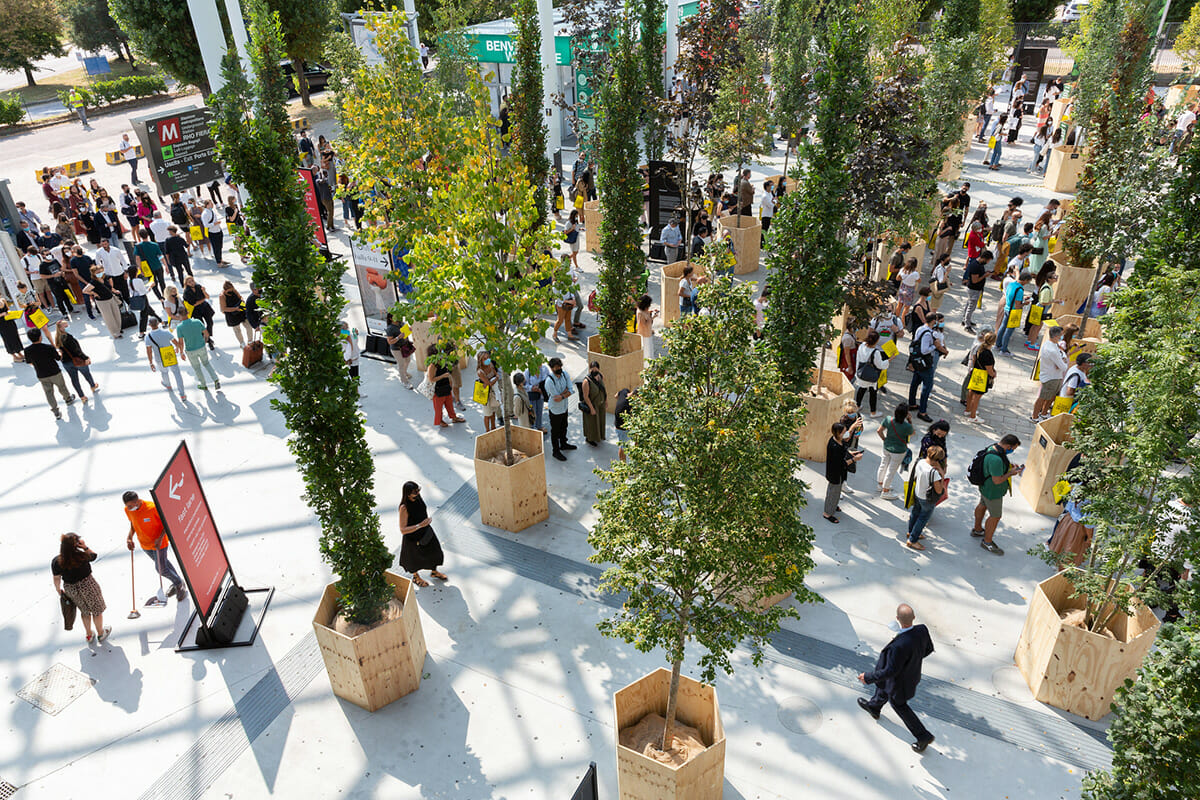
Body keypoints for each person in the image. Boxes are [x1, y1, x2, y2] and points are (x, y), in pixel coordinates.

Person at [857, 604, 936, 754]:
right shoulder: (922, 630)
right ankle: (874, 707)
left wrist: (867, 677)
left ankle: (923, 736)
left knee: (899, 704)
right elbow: (928, 649)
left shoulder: (898, 646)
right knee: (884, 687)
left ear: (897, 619)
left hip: (900, 682)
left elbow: (890, 671)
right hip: (910, 675)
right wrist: (912, 661)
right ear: (914, 617)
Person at [123, 491, 187, 601]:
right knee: (164, 564)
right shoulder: (127, 510)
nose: (128, 508)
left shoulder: (152, 508)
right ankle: (177, 582)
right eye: (126, 506)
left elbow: (166, 523)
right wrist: (129, 538)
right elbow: (133, 523)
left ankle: (179, 583)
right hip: (145, 545)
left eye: (130, 505)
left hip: (159, 545)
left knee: (161, 569)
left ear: (136, 501)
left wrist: (160, 538)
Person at [971, 434, 1024, 555]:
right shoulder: (996, 460)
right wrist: (1010, 473)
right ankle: (987, 542)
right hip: (993, 491)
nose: (1012, 451)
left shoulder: (993, 448)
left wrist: (1009, 467)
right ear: (1008, 446)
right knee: (995, 516)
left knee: (982, 505)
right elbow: (998, 480)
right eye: (1012, 449)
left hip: (984, 487)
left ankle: (977, 529)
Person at [52, 533, 109, 643]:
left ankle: (89, 635)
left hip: (71, 588)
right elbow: (94, 555)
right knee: (96, 611)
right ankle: (100, 634)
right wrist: (85, 547)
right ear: (76, 545)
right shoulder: (82, 555)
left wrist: (58, 589)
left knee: (84, 611)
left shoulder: (57, 561)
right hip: (87, 585)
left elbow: (56, 578)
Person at [397, 482, 447, 588]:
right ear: (408, 494)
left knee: (435, 552)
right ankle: (416, 577)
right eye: (415, 491)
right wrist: (420, 525)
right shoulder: (404, 508)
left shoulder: (418, 498)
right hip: (413, 537)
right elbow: (403, 530)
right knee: (414, 560)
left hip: (426, 532)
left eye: (418, 489)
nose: (418, 492)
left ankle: (434, 572)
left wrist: (426, 521)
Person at [24, 327, 75, 418]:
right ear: (40, 337)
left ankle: (55, 411)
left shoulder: (27, 350)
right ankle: (68, 399)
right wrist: (61, 353)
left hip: (42, 374)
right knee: (62, 387)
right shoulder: (49, 348)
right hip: (54, 372)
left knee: (48, 393)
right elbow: (58, 358)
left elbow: (29, 362)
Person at [907, 314, 948, 423]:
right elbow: (925, 350)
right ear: (933, 321)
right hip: (925, 363)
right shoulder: (928, 334)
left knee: (915, 382)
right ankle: (922, 411)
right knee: (927, 386)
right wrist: (935, 345)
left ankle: (912, 403)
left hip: (917, 361)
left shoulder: (920, 329)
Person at [906, 446, 947, 550]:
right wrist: (941, 474)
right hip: (927, 499)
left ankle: (911, 532)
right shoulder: (933, 473)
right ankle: (913, 540)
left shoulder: (920, 462)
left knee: (915, 513)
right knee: (923, 518)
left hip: (918, 492)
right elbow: (938, 490)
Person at [824, 422, 863, 523]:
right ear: (839, 433)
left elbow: (844, 448)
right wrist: (854, 459)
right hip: (835, 474)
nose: (846, 434)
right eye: (844, 432)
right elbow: (842, 464)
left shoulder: (838, 440)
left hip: (838, 473)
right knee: (833, 492)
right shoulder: (835, 446)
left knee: (835, 492)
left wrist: (850, 453)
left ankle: (833, 505)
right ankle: (827, 513)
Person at [54, 318, 99, 403]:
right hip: (77, 360)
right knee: (86, 374)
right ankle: (93, 386)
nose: (68, 327)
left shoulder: (57, 338)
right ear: (60, 328)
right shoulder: (68, 337)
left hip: (66, 363)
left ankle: (82, 396)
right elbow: (76, 350)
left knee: (74, 380)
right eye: (65, 326)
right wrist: (85, 357)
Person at [175, 312, 221, 393]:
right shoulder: (197, 321)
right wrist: (205, 340)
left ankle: (203, 385)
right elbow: (206, 334)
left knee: (197, 368)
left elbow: (181, 343)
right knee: (206, 363)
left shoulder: (179, 327)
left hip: (190, 350)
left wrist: (181, 353)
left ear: (179, 315)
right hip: (201, 347)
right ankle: (216, 379)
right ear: (187, 313)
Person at [877, 403, 914, 500]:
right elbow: (912, 433)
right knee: (891, 470)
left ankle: (880, 485)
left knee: (883, 465)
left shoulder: (888, 419)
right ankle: (885, 491)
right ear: (906, 414)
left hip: (887, 447)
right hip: (899, 451)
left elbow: (879, 431)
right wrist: (909, 420)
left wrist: (884, 439)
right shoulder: (907, 426)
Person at [1032, 325, 1068, 421]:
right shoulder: (1052, 350)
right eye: (1060, 335)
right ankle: (1034, 417)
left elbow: (1062, 356)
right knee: (1043, 397)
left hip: (1054, 376)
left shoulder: (1050, 344)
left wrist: (1062, 359)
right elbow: (1064, 366)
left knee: (1050, 397)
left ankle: (1044, 413)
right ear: (1056, 336)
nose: (1061, 337)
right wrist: (1063, 360)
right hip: (1051, 377)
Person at [145, 317, 186, 400]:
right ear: (158, 323)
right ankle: (182, 394)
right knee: (177, 373)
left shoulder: (148, 337)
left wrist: (151, 362)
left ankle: (168, 384)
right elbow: (176, 343)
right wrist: (181, 351)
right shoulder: (166, 332)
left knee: (164, 372)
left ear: (149, 325)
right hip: (170, 355)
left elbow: (149, 351)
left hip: (159, 358)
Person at [545, 357, 576, 461]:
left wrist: (562, 395)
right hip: (555, 410)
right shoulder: (549, 381)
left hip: (564, 407)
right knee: (555, 431)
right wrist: (565, 393)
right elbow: (556, 398)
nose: (559, 368)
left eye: (560, 366)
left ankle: (563, 444)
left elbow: (571, 390)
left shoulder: (564, 374)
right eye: (556, 367)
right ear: (552, 368)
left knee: (564, 427)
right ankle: (556, 451)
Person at [997, 270, 1035, 354]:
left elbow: (1010, 296)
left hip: (1007, 308)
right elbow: (1018, 306)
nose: (1027, 283)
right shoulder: (1020, 290)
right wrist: (1025, 303)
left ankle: (997, 344)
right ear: (1025, 280)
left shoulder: (1011, 284)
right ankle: (1004, 349)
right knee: (1009, 330)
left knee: (1002, 327)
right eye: (1028, 282)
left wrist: (1022, 298)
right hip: (1014, 312)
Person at [425, 345, 462, 428]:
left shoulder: (443, 361)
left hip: (446, 386)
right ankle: (440, 421)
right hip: (438, 389)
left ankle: (454, 418)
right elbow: (431, 379)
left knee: (449, 404)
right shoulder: (432, 365)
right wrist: (443, 376)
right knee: (438, 408)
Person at [854, 330, 888, 417]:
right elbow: (880, 365)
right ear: (876, 341)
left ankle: (857, 406)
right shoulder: (875, 352)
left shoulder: (862, 346)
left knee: (861, 389)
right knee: (873, 393)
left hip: (861, 373)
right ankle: (873, 412)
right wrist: (889, 359)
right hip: (870, 376)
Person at [218, 281, 254, 347]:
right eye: (229, 291)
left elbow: (240, 297)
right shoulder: (222, 296)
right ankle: (242, 343)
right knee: (237, 329)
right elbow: (223, 309)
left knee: (248, 325)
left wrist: (242, 301)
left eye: (232, 289)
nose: (231, 292)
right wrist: (235, 309)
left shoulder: (234, 290)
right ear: (225, 290)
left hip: (240, 311)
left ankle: (250, 341)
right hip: (231, 314)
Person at [183, 276, 216, 346]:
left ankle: (208, 337)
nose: (192, 283)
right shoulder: (186, 292)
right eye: (189, 282)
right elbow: (193, 304)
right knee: (201, 325)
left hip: (204, 307)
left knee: (210, 322)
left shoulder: (198, 287)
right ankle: (208, 340)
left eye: (192, 281)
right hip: (195, 310)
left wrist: (204, 291)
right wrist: (203, 300)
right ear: (186, 284)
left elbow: (208, 297)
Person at [133, 229, 166, 299]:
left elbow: (137, 258)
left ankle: (160, 298)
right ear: (147, 235)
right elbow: (160, 256)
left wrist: (140, 268)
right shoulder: (154, 244)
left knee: (153, 284)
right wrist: (166, 265)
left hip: (147, 268)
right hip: (158, 266)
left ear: (140, 236)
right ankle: (165, 296)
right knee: (162, 282)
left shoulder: (138, 246)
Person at [385, 313, 415, 388]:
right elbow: (390, 342)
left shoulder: (401, 323)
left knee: (407, 360)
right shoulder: (390, 329)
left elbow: (406, 333)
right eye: (395, 316)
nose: (397, 317)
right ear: (390, 319)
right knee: (401, 364)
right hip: (396, 349)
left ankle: (404, 373)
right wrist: (398, 337)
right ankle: (404, 381)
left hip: (404, 346)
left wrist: (409, 330)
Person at [581, 360, 607, 446]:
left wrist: (605, 401)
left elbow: (603, 389)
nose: (594, 372)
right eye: (592, 370)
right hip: (592, 404)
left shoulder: (600, 376)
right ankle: (590, 438)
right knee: (592, 423)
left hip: (601, 404)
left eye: (596, 370)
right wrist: (591, 408)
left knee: (600, 420)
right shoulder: (586, 381)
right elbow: (586, 396)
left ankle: (599, 436)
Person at [475, 350, 501, 431]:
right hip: (485, 394)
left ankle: (493, 427)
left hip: (493, 392)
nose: (487, 360)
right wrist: (495, 378)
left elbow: (495, 374)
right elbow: (490, 382)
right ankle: (487, 430)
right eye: (484, 359)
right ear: (480, 361)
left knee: (493, 412)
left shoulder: (491, 364)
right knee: (487, 414)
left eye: (488, 358)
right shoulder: (480, 372)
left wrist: (492, 380)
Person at [201, 200, 229, 266]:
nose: (212, 205)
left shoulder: (211, 211)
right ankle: (218, 262)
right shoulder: (205, 214)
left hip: (218, 230)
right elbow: (206, 225)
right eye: (211, 204)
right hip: (212, 232)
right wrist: (215, 223)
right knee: (216, 247)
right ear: (207, 205)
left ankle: (220, 259)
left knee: (220, 246)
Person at [0, 296, 25, 363]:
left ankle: (19, 352)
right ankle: (14, 356)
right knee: (7, 339)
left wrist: (9, 312)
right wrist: (2, 314)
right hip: (2, 324)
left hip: (9, 321)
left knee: (15, 336)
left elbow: (8, 309)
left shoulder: (3, 299)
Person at [635, 294, 659, 360]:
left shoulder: (641, 310)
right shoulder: (640, 313)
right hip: (644, 335)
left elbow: (646, 313)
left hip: (647, 334)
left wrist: (652, 311)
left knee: (649, 350)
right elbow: (645, 324)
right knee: (647, 352)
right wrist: (653, 317)